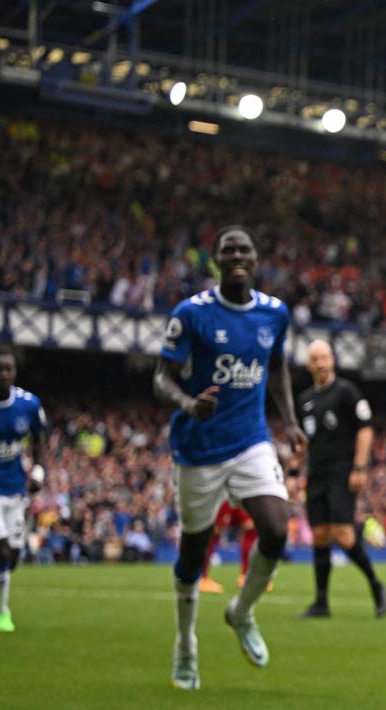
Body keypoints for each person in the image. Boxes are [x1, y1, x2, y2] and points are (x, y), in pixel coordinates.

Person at [154, 225, 307, 690]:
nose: (236, 255)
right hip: (198, 447)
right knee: (194, 553)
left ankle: (241, 611)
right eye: (228, 250)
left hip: (251, 440)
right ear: (216, 260)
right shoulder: (191, 314)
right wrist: (187, 404)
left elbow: (277, 366)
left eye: (244, 248)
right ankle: (185, 645)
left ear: (256, 259)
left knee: (278, 529)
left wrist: (291, 420)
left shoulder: (274, 314)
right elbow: (161, 377)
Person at [296, 339, 386, 619]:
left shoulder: (347, 392)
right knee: (320, 535)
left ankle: (375, 584)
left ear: (332, 360)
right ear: (309, 365)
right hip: (316, 473)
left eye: (324, 358)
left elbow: (365, 429)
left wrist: (359, 468)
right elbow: (302, 442)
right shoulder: (305, 400)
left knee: (343, 533)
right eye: (315, 359)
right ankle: (321, 602)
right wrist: (292, 472)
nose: (320, 363)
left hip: (342, 470)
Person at [0, 345, 47, 632]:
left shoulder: (29, 404)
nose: (4, 374)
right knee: (3, 554)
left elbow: (39, 438)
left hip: (16, 492)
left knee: (13, 559)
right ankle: (1, 613)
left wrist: (39, 472)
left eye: (9, 369)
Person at [197, 501, 259, 594]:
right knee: (214, 531)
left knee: (250, 527)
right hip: (224, 495)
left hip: (238, 496)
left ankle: (245, 576)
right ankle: (201, 578)